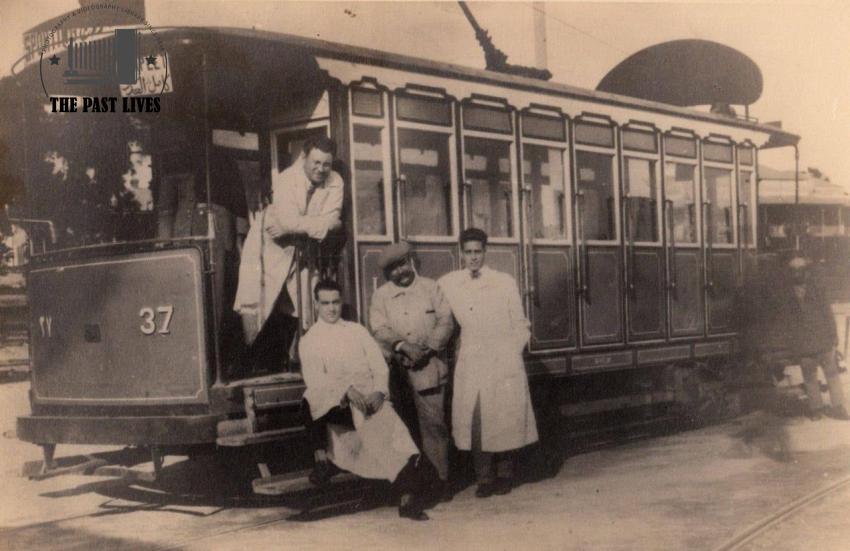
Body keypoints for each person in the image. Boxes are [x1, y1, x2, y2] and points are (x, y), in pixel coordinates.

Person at [300, 279, 433, 520]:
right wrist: (347, 391)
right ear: (316, 304)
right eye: (325, 303)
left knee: (398, 436)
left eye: (335, 302)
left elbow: (379, 365)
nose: (331, 308)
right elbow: (316, 379)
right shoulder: (310, 339)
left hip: (370, 396)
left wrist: (379, 391)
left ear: (341, 302)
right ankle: (324, 459)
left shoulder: (357, 331)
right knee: (312, 399)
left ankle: (407, 500)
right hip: (338, 401)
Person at [437, 227, 538, 497]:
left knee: (503, 416)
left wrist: (511, 352)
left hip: (503, 357)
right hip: (472, 358)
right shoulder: (450, 283)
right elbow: (432, 302)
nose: (473, 257)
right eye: (468, 252)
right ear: (461, 253)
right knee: (477, 420)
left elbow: (520, 323)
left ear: (485, 252)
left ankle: (505, 475)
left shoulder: (504, 281)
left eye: (478, 252)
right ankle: (484, 478)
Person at [233, 136, 343, 363]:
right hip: (268, 247)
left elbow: (332, 220)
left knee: (306, 304)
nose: (321, 169)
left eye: (326, 164)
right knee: (256, 301)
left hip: (301, 248)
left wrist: (298, 227)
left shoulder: (336, 181)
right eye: (316, 162)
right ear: (304, 157)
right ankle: (252, 361)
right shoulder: (286, 179)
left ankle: (297, 361)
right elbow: (290, 221)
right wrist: (320, 225)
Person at [369, 241, 454, 501]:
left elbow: (446, 321)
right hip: (397, 374)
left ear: (411, 262)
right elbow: (379, 328)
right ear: (388, 273)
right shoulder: (381, 296)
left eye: (403, 264)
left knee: (434, 429)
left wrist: (426, 349)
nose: (401, 271)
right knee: (401, 431)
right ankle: (409, 488)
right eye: (394, 269)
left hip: (429, 370)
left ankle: (439, 484)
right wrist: (403, 346)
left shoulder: (431, 287)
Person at [780, 254, 849, 420]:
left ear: (806, 272)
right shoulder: (789, 294)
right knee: (812, 376)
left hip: (820, 340)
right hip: (806, 342)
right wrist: (792, 343)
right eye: (794, 270)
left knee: (829, 374)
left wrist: (833, 336)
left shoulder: (815, 290)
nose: (797, 273)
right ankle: (819, 408)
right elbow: (787, 322)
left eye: (800, 270)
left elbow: (827, 314)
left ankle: (835, 407)